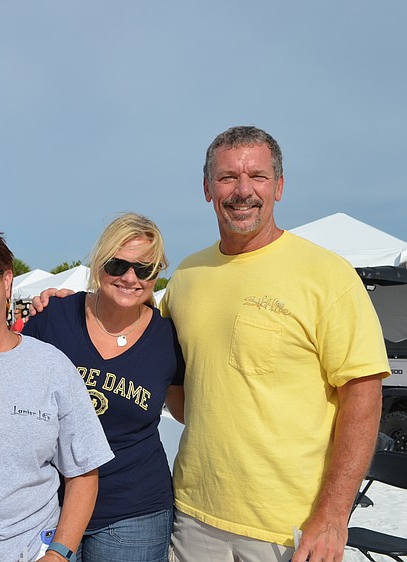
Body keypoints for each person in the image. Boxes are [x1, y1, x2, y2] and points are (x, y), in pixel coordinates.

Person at [160, 126, 390, 562]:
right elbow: (175, 379)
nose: (242, 191)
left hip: (291, 529)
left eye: (258, 176)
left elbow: (363, 397)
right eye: (227, 177)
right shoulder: (187, 277)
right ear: (207, 189)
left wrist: (333, 515)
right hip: (193, 515)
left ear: (279, 186)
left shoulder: (326, 275)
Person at [0, 223, 113, 562]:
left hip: (32, 552)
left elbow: (84, 472)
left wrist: (58, 553)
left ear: (7, 280)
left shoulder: (51, 366)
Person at [23, 213, 184, 562]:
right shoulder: (55, 316)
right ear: (100, 264)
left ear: (156, 274)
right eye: (118, 265)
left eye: (144, 269)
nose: (130, 278)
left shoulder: (167, 339)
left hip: (135, 511)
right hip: (52, 505)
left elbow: (187, 409)